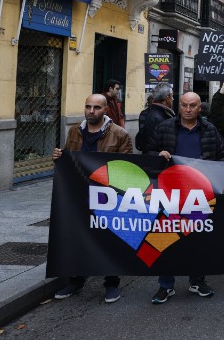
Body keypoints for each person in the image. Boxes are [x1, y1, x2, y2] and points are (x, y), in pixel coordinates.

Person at [52, 94, 133, 304]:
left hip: (107, 196)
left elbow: (127, 167)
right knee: (79, 237)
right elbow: (69, 158)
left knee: (109, 239)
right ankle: (76, 280)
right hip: (79, 195)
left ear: (106, 110)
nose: (91, 111)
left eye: (96, 107)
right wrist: (59, 158)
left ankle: (112, 283)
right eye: (88, 106)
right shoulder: (74, 132)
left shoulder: (120, 134)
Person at [147, 92, 224, 304]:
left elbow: (222, 155)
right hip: (169, 193)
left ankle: (197, 281)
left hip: (199, 194)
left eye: (192, 105)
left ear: (200, 108)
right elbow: (147, 153)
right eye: (184, 105)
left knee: (197, 239)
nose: (188, 109)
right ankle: (165, 285)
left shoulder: (210, 129)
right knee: (166, 238)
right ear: (179, 106)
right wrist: (158, 155)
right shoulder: (164, 128)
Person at [136, 83, 175, 152]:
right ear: (167, 98)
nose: (173, 99)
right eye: (172, 96)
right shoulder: (159, 116)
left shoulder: (153, 112)